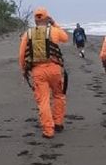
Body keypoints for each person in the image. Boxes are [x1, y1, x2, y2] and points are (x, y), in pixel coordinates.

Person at [19, 7, 70, 139]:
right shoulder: (54, 31)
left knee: (43, 100)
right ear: (47, 18)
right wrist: (54, 23)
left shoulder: (28, 34)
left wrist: (24, 70)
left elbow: (22, 54)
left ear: (35, 20)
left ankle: (48, 130)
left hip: (38, 71)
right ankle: (58, 122)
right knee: (58, 95)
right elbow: (65, 38)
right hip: (55, 69)